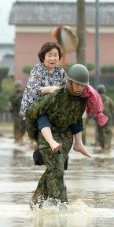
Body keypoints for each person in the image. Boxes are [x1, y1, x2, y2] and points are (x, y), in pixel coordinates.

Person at [20, 41, 105, 156]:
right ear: (43, 57)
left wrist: (86, 91)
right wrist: (50, 89)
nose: (52, 58)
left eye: (55, 55)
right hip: (36, 107)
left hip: (53, 106)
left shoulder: (60, 72)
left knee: (74, 109)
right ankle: (51, 142)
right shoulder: (37, 70)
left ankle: (79, 144)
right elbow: (33, 89)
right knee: (42, 117)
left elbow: (67, 88)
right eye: (49, 55)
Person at [26, 64, 91, 208]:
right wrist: (38, 132)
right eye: (78, 84)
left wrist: (78, 143)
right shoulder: (55, 95)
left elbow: (77, 120)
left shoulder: (82, 100)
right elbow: (31, 112)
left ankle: (36, 203)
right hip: (48, 135)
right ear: (69, 82)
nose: (80, 88)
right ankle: (61, 207)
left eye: (83, 85)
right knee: (56, 170)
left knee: (54, 169)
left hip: (66, 138)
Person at [95, 84, 114, 151]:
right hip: (107, 119)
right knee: (108, 132)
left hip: (98, 119)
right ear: (104, 91)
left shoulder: (95, 99)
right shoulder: (108, 99)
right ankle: (107, 144)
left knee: (100, 132)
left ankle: (102, 146)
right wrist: (112, 113)